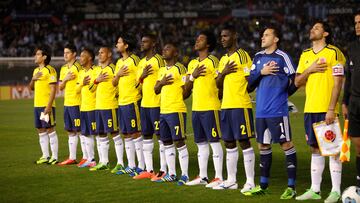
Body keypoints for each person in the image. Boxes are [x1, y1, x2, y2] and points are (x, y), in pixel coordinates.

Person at [294, 21, 346, 203]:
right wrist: (310, 69)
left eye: (316, 28)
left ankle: (336, 191)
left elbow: (338, 83)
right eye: (312, 27)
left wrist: (331, 108)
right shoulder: (305, 54)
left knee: (332, 151)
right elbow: (297, 82)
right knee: (314, 149)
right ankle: (315, 190)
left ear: (325, 34)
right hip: (310, 109)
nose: (312, 29)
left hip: (326, 110)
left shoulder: (334, 52)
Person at [245, 26, 298, 199]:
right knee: (263, 146)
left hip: (277, 110)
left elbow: (295, 79)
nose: (263, 37)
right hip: (260, 111)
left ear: (275, 39)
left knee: (286, 145)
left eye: (267, 35)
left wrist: (282, 95)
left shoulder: (283, 57)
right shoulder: (258, 57)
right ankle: (263, 186)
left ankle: (291, 187)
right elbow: (250, 85)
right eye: (262, 35)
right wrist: (262, 72)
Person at [213, 25, 256, 192]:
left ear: (234, 36)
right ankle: (231, 180)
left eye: (225, 36)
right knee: (229, 143)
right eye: (221, 36)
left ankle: (250, 181)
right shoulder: (223, 59)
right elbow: (217, 83)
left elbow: (250, 81)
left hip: (240, 105)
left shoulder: (243, 55)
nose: (222, 39)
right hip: (226, 106)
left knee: (244, 141)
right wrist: (223, 73)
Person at [183, 31, 224, 188]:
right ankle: (203, 176)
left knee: (214, 142)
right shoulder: (192, 64)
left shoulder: (213, 61)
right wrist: (192, 77)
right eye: (197, 38)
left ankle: (219, 177)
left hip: (210, 108)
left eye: (200, 39)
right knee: (201, 144)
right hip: (196, 108)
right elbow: (185, 91)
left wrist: (216, 98)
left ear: (208, 44)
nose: (196, 41)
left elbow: (221, 84)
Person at [154, 42, 189, 185]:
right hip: (163, 111)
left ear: (175, 53)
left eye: (168, 48)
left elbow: (186, 91)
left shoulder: (180, 68)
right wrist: (161, 82)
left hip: (176, 110)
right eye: (164, 48)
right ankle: (172, 173)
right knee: (166, 142)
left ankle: (185, 175)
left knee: (179, 141)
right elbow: (156, 89)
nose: (164, 50)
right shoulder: (161, 70)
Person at [133, 33, 167, 181]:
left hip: (156, 104)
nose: (142, 44)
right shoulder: (141, 63)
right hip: (145, 103)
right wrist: (143, 75)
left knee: (160, 136)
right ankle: (149, 169)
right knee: (146, 136)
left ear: (153, 44)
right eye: (142, 41)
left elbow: (165, 77)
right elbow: (136, 84)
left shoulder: (159, 59)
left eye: (145, 41)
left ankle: (164, 170)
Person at [112, 33, 144, 176]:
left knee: (136, 132)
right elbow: (113, 82)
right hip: (122, 102)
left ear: (126, 45)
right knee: (126, 134)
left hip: (132, 101)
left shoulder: (135, 60)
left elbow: (141, 79)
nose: (117, 45)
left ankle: (141, 166)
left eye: (119, 42)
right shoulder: (119, 63)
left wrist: (138, 94)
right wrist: (118, 75)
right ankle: (131, 165)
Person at [89, 46, 119, 171]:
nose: (99, 55)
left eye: (102, 52)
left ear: (109, 54)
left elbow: (118, 86)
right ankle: (104, 162)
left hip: (110, 106)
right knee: (101, 134)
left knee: (115, 133)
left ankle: (121, 163)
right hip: (98, 107)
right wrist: (96, 80)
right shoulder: (96, 70)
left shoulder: (114, 68)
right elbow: (91, 89)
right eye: (99, 52)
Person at [30, 46, 59, 165]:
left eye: (38, 54)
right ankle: (45, 155)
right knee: (40, 130)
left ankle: (55, 157)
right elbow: (31, 88)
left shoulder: (50, 70)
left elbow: (53, 89)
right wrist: (33, 79)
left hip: (46, 105)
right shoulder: (36, 71)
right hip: (37, 105)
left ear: (44, 57)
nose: (35, 57)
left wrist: (48, 106)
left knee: (50, 129)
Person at [58, 43, 85, 166]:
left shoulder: (79, 67)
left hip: (77, 103)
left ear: (74, 54)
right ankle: (72, 157)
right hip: (67, 103)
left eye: (67, 52)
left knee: (79, 130)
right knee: (70, 131)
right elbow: (60, 87)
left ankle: (85, 157)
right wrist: (65, 79)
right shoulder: (63, 69)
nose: (65, 55)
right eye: (64, 53)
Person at [342, 11, 360, 187]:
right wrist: (344, 102)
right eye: (355, 22)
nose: (357, 25)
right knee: (357, 145)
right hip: (354, 103)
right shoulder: (352, 47)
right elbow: (348, 76)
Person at [76, 48, 98, 168]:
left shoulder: (96, 70)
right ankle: (90, 159)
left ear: (90, 58)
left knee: (95, 134)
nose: (80, 58)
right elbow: (76, 90)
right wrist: (82, 84)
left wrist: (87, 84)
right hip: (83, 107)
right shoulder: (81, 73)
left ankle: (96, 160)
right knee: (85, 134)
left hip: (93, 107)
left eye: (83, 56)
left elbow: (95, 86)